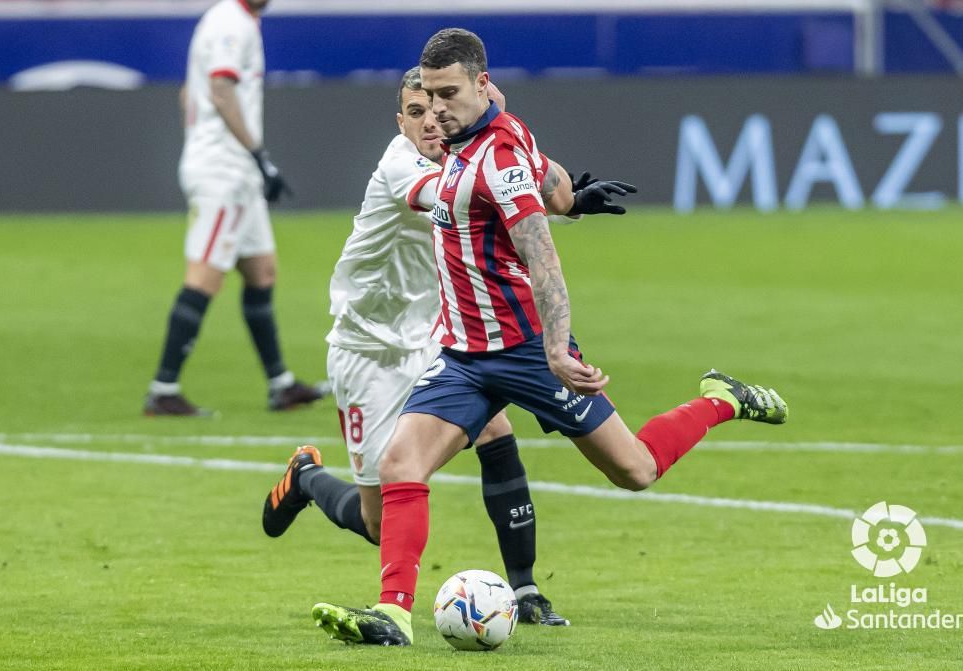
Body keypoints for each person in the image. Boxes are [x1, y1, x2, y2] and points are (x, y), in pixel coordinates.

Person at [310, 28, 789, 646]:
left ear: (482, 85)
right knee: (402, 462)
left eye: (448, 95)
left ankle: (721, 398)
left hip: (525, 351)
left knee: (636, 470)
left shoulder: (497, 158)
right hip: (461, 354)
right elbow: (552, 180)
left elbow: (542, 257)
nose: (437, 111)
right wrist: (571, 198)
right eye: (427, 97)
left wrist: (557, 348)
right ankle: (393, 614)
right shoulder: (472, 137)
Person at [260, 67, 630, 625]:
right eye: (416, 113)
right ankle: (307, 478)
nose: (430, 122)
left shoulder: (468, 156)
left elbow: (503, 183)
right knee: (377, 523)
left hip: (442, 337)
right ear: (400, 121)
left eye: (436, 108)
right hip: (368, 351)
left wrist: (570, 198)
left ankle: (526, 590)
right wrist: (556, 197)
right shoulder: (401, 166)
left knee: (495, 429)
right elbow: (477, 192)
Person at [143, 0, 326, 416]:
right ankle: (163, 389)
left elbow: (188, 94)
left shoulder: (232, 19)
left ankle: (280, 384)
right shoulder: (231, 23)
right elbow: (220, 90)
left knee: (261, 271)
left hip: (235, 169)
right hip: (224, 172)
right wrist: (257, 155)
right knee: (204, 276)